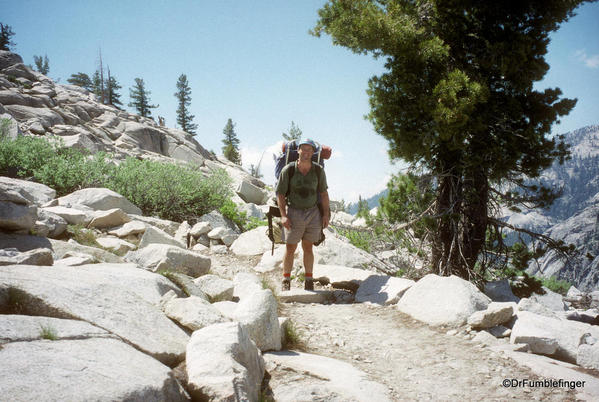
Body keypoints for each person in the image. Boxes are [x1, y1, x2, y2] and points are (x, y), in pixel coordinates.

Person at [276, 139, 330, 291]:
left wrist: (325, 215)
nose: (306, 152)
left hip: (313, 212)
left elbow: (324, 194)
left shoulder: (318, 170)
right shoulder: (289, 169)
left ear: (313, 153)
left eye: (309, 150)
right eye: (303, 149)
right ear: (298, 151)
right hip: (294, 212)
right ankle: (286, 280)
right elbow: (280, 194)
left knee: (308, 247)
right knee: (290, 247)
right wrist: (284, 215)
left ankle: (309, 280)